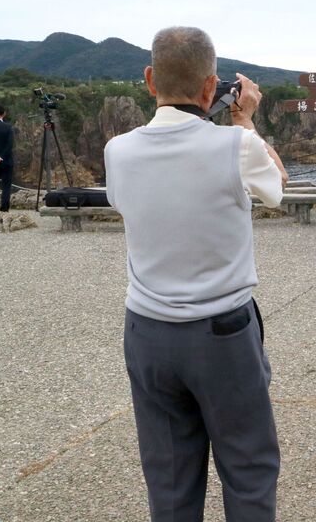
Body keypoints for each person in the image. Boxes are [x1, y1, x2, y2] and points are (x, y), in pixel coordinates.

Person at [104, 26, 288, 522]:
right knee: (248, 470)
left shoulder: (117, 152)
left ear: (149, 80)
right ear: (211, 88)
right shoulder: (236, 146)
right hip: (223, 335)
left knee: (169, 479)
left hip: (147, 333)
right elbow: (276, 187)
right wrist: (245, 119)